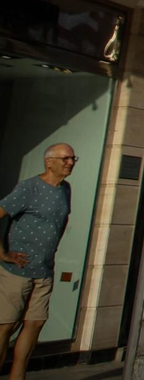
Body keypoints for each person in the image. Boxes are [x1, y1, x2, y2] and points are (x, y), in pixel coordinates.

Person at [0, 143, 76, 380]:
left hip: (44, 271)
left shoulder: (65, 189)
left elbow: (61, 222)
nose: (70, 163)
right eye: (65, 158)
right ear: (49, 162)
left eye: (73, 159)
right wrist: (2, 254)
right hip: (17, 271)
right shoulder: (29, 188)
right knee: (6, 326)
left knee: (34, 324)